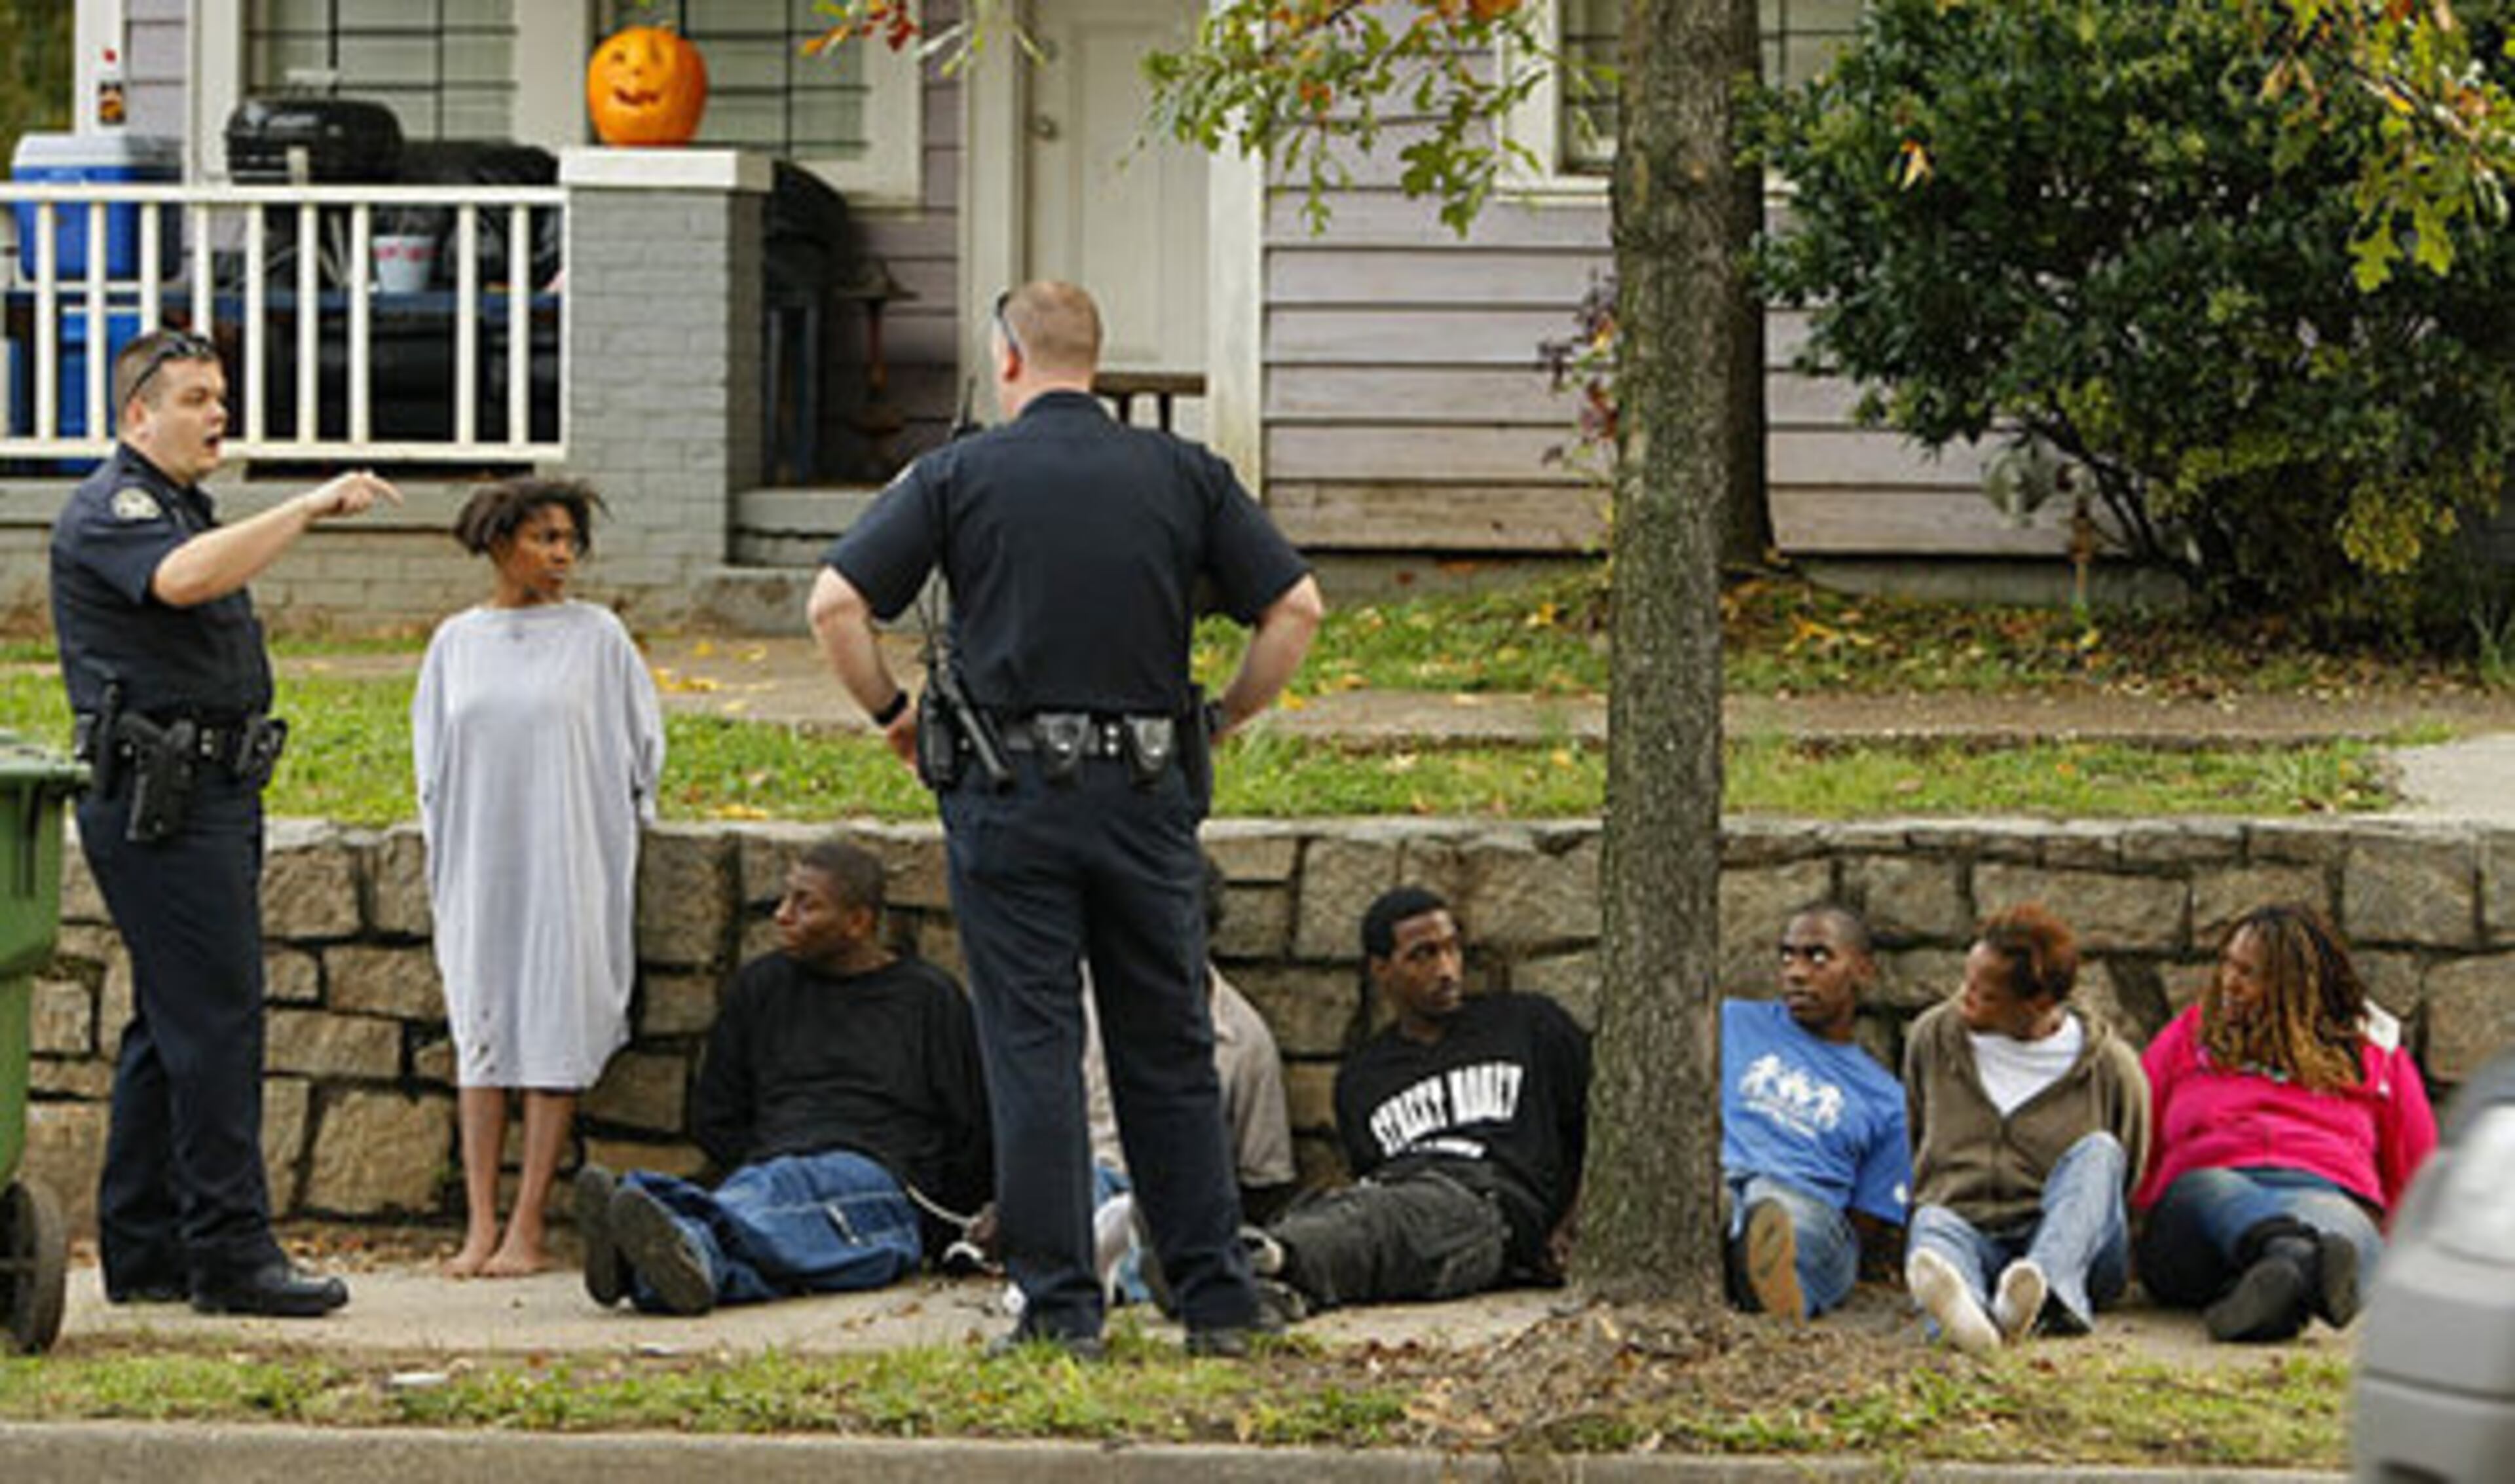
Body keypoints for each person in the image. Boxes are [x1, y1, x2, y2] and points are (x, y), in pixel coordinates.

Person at [808, 280, 1324, 1357]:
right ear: (1098, 359)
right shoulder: (1183, 472)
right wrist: (1222, 716)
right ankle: (1217, 1303)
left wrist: (895, 716)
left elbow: (837, 606)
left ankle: (1059, 1314)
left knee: (1033, 1052)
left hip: (1009, 800)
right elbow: (1295, 608)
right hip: (1145, 798)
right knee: (1169, 1046)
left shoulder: (956, 474)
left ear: (1006, 359)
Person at [50, 327, 397, 1316]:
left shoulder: (175, 507)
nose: (216, 414)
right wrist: (306, 503)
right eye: (196, 398)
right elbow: (183, 580)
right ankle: (233, 1254)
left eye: (220, 397)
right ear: (136, 415)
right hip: (164, 803)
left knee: (171, 1024)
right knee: (215, 1020)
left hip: (209, 793)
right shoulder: (115, 507)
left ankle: (149, 1246)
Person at [413, 477, 664, 1278]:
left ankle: (530, 1227)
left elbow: (641, 749)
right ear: (499, 543)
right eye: (544, 539)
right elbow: (433, 760)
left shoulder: (598, 638)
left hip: (569, 856)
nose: (560, 556)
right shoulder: (456, 642)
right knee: (482, 1031)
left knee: (555, 1026)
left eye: (569, 541)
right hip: (482, 858)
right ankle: (478, 1224)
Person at [574, 840, 992, 1316]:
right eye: (784, 898)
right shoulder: (762, 987)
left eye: (806, 904)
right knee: (776, 1229)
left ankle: (659, 1231)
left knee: (784, 1198)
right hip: (770, 1171)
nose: (782, 915)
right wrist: (767, 1153)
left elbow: (972, 1126)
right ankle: (673, 1268)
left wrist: (949, 1220)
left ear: (858, 923)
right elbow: (718, 1113)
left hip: (881, 1187)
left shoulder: (927, 998)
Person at [1240, 887, 1590, 1316]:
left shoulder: (1528, 1025)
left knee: (1398, 1218)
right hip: (1402, 1210)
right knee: (1347, 1214)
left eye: (1451, 949)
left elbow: (1603, 1130)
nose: (1445, 969)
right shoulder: (1363, 1077)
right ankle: (1270, 1288)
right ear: (1382, 970)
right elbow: (1373, 1187)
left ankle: (1261, 1260)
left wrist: (1573, 1226)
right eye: (1422, 955)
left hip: (1490, 1206)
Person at [2134, 904, 2438, 1343]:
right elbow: (2138, 1124)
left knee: (2337, 1229)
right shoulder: (2194, 1033)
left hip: (2325, 1195)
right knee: (2210, 1190)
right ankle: (2291, 1255)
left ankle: (2278, 1291)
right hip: (2198, 1216)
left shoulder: (2368, 1050)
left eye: (2248, 973)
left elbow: (2416, 1161)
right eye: (2227, 965)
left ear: (2293, 988)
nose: (2228, 983)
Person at [1902, 904, 2149, 1356]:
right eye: (1965, 983)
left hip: (2075, 1248)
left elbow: (2124, 1173)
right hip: (1972, 1230)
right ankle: (1968, 1317)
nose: (1964, 999)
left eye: (1986, 995)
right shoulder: (1932, 1038)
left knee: (2100, 1151)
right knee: (1932, 1219)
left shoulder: (2112, 1068)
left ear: (2039, 1003)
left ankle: (2042, 1294)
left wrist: (2064, 1238)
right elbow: (1918, 1135)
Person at [1080, 854, 1295, 1306]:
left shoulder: (1244, 1040)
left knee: (1179, 1215)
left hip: (1175, 1190)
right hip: (1090, 1178)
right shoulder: (1082, 1003)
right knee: (1079, 1186)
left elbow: (1266, 1180)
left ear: (1205, 931)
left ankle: (1130, 1267)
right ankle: (1100, 1258)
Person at [1721, 904, 1909, 1320]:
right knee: (1724, 1198)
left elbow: (1865, 1224)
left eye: (1818, 956)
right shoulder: (1732, 1023)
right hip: (1724, 1180)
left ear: (1863, 971)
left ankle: (1782, 1290)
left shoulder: (1888, 1100)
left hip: (1808, 1208)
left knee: (1775, 1209)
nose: (1797, 972)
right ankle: (1745, 1268)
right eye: (1787, 956)